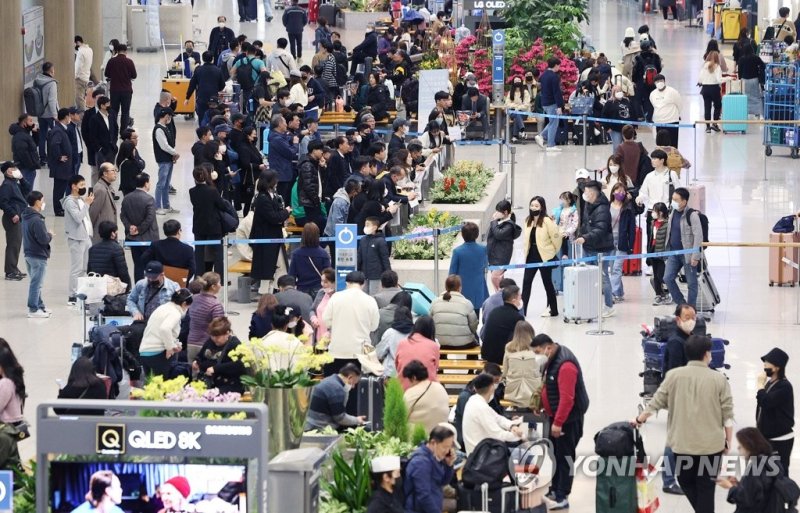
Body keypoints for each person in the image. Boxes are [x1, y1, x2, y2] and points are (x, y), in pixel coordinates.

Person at [634, 335, 734, 513]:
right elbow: (727, 414)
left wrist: (639, 420)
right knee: (706, 487)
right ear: (706, 354)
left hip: (682, 445)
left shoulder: (674, 376)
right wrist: (728, 441)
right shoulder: (718, 379)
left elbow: (656, 402)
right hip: (711, 447)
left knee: (686, 481)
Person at [530, 334, 589, 511]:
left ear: (548, 347)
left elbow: (567, 399)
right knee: (555, 455)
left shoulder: (565, 365)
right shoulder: (552, 359)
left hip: (567, 421)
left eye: (538, 352)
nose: (536, 356)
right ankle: (555, 490)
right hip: (554, 416)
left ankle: (563, 496)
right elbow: (549, 386)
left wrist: (558, 423)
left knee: (564, 457)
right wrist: (541, 402)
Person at [716, 427, 786, 512]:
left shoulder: (756, 468)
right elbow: (758, 490)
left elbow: (745, 498)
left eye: (741, 445)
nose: (738, 448)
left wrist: (730, 486)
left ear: (749, 446)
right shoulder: (772, 461)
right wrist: (739, 484)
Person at [322, 271, 379, 373]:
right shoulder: (370, 300)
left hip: (337, 350)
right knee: (355, 386)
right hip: (360, 352)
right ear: (363, 284)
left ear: (347, 283)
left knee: (335, 385)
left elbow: (326, 321)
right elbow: (374, 326)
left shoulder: (336, 297)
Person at [462, 373, 525, 454]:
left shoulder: (474, 400)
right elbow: (498, 435)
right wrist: (520, 436)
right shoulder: (481, 407)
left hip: (481, 449)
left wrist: (512, 426)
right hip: (482, 456)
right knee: (527, 455)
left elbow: (497, 418)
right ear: (492, 387)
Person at [250, 170, 291, 292]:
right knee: (267, 269)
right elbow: (273, 217)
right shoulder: (263, 198)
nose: (277, 182)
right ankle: (265, 293)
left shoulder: (271, 195)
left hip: (273, 237)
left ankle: (272, 290)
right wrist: (286, 212)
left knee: (275, 266)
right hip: (266, 238)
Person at [521, 196, 561, 317]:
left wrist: (552, 252)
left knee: (547, 283)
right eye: (532, 205)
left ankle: (553, 309)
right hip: (531, 255)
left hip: (545, 256)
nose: (533, 208)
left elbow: (557, 238)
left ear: (542, 207)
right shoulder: (527, 220)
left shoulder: (547, 221)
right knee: (526, 283)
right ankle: (522, 311)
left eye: (536, 206)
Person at [663, 187, 704, 308]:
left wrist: (695, 256)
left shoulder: (692, 215)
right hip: (674, 253)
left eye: (676, 200)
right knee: (667, 278)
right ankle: (682, 305)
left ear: (684, 201)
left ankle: (691, 310)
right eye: (672, 199)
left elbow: (698, 236)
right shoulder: (673, 212)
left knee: (691, 283)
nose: (673, 202)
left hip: (688, 255)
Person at [138, 288, 193, 377]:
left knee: (151, 386)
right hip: (158, 354)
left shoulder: (163, 308)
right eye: (188, 307)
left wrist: (173, 344)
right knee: (164, 387)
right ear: (184, 304)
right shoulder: (175, 313)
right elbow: (165, 329)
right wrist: (170, 347)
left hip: (145, 352)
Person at [403, 425, 457, 513]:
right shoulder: (421, 463)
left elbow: (443, 482)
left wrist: (449, 465)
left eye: (449, 447)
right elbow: (423, 496)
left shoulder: (435, 457)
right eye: (444, 447)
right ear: (433, 443)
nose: (447, 451)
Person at [756, 347, 794, 471]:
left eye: (767, 363)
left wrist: (760, 386)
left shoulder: (784, 386)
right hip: (767, 438)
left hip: (779, 439)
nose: (764, 366)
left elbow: (766, 402)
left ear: (777, 367)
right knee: (764, 475)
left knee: (779, 476)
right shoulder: (771, 383)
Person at [190, 167, 230, 275]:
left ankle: (199, 276)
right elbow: (221, 205)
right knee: (218, 253)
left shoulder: (192, 191)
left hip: (199, 225)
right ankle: (219, 277)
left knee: (199, 253)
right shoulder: (212, 190)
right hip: (213, 225)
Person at [453, 365, 505, 449]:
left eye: (497, 382)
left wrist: (509, 420)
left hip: (485, 435)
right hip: (470, 441)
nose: (495, 385)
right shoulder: (466, 397)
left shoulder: (488, 391)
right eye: (494, 381)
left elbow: (496, 410)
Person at [121, 173, 160, 282]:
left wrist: (130, 227)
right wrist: (139, 229)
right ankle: (151, 287)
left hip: (134, 239)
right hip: (149, 239)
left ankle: (138, 286)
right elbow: (150, 218)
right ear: (146, 183)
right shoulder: (149, 199)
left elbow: (123, 215)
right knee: (151, 266)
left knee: (137, 265)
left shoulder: (127, 198)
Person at [305, 363, 365, 430]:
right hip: (318, 428)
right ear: (350, 377)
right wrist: (357, 420)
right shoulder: (336, 389)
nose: (353, 387)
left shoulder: (330, 379)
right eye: (354, 383)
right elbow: (340, 418)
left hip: (309, 423)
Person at [64, 175, 94, 305]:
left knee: (84, 268)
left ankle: (81, 293)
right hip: (76, 238)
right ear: (73, 186)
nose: (83, 187)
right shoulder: (70, 201)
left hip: (85, 237)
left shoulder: (81, 199)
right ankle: (72, 295)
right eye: (81, 185)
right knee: (76, 268)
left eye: (84, 184)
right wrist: (87, 204)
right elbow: (78, 217)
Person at [21, 191, 51, 318]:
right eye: (43, 200)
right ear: (38, 202)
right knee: (36, 283)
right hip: (38, 255)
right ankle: (33, 309)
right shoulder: (37, 220)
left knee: (36, 282)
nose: (44, 203)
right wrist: (50, 235)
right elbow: (43, 239)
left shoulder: (25, 216)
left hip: (28, 253)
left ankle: (40, 306)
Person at [0, 162, 31, 281]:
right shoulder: (7, 185)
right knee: (13, 244)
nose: (15, 170)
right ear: (7, 171)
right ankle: (10, 271)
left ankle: (13, 267)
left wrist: (21, 178)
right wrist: (13, 214)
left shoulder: (14, 183)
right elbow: (3, 202)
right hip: (12, 218)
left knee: (16, 244)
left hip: (18, 217)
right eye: (13, 168)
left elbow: (27, 189)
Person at [449, 222, 488, 316]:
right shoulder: (483, 249)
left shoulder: (457, 251)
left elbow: (452, 273)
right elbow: (485, 265)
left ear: (462, 235)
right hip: (478, 288)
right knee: (475, 315)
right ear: (477, 235)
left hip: (461, 290)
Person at [503, 320, 545, 408]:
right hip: (534, 392)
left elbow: (505, 372)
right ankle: (532, 421)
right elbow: (543, 372)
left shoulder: (509, 347)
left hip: (513, 393)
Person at [430, 275, 478, 348]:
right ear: (460, 288)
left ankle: (441, 359)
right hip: (463, 343)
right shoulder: (467, 303)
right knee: (475, 340)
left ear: (446, 287)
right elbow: (474, 327)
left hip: (440, 342)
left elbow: (430, 323)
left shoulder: (435, 302)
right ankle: (473, 359)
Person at [608, 182, 637, 302]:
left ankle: (613, 293)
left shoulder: (628, 208)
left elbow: (632, 229)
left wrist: (631, 245)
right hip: (609, 241)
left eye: (622, 191)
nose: (620, 193)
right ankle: (619, 292)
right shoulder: (607, 206)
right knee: (612, 266)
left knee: (616, 268)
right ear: (613, 192)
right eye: (618, 191)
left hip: (622, 241)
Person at [186, 272, 225, 361]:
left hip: (191, 342)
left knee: (193, 372)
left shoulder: (193, 299)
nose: (220, 285)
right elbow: (219, 328)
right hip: (207, 345)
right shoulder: (215, 305)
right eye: (219, 283)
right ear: (213, 287)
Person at [482, 285, 525, 365]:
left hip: (487, 354)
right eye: (520, 296)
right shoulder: (517, 317)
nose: (521, 299)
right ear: (514, 300)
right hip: (502, 357)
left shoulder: (494, 312)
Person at [403, 360, 449, 434]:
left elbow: (402, 417)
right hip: (442, 435)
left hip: (419, 438)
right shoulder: (440, 387)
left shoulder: (411, 393)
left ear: (414, 378)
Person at [395, 316, 439, 391]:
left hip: (403, 388)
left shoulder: (402, 343)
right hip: (427, 390)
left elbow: (397, 365)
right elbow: (435, 367)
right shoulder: (434, 346)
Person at [87, 221, 131, 292]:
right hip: (112, 287)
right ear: (112, 234)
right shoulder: (117, 249)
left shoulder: (92, 249)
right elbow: (123, 272)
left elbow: (89, 270)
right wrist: (127, 287)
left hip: (97, 287)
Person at [267, 116, 299, 206]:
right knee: (282, 200)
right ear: (279, 124)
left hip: (284, 173)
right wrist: (296, 144)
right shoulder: (276, 139)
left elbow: (286, 139)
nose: (286, 124)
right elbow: (290, 153)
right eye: (285, 122)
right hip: (281, 175)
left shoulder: (280, 136)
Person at [104, 44, 137, 131]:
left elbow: (106, 74)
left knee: (114, 111)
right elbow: (134, 75)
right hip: (126, 90)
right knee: (125, 112)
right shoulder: (129, 62)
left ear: (117, 51)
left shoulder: (111, 61)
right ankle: (123, 131)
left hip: (114, 90)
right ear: (126, 51)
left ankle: (113, 129)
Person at [186, 51, 226, 123]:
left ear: (203, 59)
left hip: (202, 98)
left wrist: (187, 97)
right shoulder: (218, 70)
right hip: (214, 99)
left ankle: (203, 132)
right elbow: (222, 85)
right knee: (214, 119)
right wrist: (216, 89)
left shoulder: (198, 70)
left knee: (202, 119)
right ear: (212, 59)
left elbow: (192, 84)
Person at [535, 57, 564, 152]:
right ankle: (550, 144)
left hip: (544, 102)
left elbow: (540, 86)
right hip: (552, 102)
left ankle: (541, 136)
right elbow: (557, 92)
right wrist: (560, 106)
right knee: (553, 123)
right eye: (559, 65)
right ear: (556, 65)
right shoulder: (554, 77)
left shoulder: (543, 75)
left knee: (553, 122)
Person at [153, 108, 179, 215]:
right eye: (170, 116)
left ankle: (166, 206)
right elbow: (164, 146)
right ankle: (157, 207)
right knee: (161, 184)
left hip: (168, 159)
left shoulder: (165, 127)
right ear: (166, 116)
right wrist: (175, 153)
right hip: (163, 160)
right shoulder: (159, 129)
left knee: (166, 184)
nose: (171, 118)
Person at [47, 109, 73, 217]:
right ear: (66, 117)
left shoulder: (61, 129)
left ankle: (59, 208)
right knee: (59, 189)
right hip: (60, 166)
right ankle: (58, 210)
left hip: (64, 166)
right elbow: (54, 144)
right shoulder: (58, 130)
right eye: (69, 116)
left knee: (61, 187)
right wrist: (59, 157)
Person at [376, 306, 414, 377]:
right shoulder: (416, 333)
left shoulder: (390, 333)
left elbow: (379, 353)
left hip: (391, 373)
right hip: (411, 374)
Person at [358, 217, 391, 294]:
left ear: (375, 227)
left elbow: (384, 258)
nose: (366, 227)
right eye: (365, 225)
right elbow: (359, 257)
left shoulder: (380, 241)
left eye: (368, 225)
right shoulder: (363, 240)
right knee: (364, 295)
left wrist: (388, 273)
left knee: (374, 295)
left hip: (376, 275)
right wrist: (358, 271)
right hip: (364, 274)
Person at [34, 62, 59, 164]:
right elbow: (52, 100)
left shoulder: (37, 80)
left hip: (40, 113)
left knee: (42, 135)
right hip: (50, 114)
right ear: (51, 71)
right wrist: (55, 115)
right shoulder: (51, 83)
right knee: (55, 135)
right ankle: (52, 157)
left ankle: (42, 158)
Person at [632, 40, 662, 122]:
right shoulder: (655, 57)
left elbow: (634, 71)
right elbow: (659, 69)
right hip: (652, 82)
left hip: (641, 82)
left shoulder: (637, 58)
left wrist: (634, 80)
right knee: (651, 99)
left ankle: (640, 116)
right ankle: (649, 117)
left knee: (638, 99)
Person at [87, 163, 117, 243]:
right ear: (105, 173)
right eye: (113, 171)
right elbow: (93, 213)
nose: (115, 173)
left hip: (109, 231)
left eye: (115, 170)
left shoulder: (107, 187)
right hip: (102, 233)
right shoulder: (100, 189)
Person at [650, 74, 682, 147]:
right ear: (654, 83)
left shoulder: (673, 92)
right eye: (657, 81)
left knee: (673, 144)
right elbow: (653, 105)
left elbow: (679, 104)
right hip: (659, 122)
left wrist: (677, 114)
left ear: (664, 81)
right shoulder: (652, 94)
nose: (659, 83)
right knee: (661, 144)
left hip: (672, 121)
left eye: (661, 81)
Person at [648, 202, 671, 304]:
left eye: (654, 211)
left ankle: (668, 293)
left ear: (660, 213)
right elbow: (651, 238)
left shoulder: (667, 224)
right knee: (656, 276)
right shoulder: (653, 223)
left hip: (662, 253)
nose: (652, 213)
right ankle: (658, 294)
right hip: (653, 251)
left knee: (662, 275)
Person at [601, 85, 634, 153]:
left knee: (629, 147)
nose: (620, 92)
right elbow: (603, 115)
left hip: (627, 128)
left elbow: (632, 112)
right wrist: (607, 127)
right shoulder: (609, 103)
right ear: (613, 93)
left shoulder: (626, 101)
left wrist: (635, 125)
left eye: (620, 91)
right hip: (615, 129)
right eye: (617, 91)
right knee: (617, 147)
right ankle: (616, 162)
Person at [737, 44, 765, 119]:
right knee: (756, 96)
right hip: (754, 79)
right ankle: (758, 113)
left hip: (744, 80)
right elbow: (763, 65)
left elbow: (739, 71)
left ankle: (744, 112)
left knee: (745, 96)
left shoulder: (741, 59)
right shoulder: (756, 58)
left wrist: (740, 79)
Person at [698, 51, 723, 133]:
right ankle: (714, 124)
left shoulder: (704, 66)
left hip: (705, 89)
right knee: (718, 106)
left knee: (707, 107)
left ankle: (708, 127)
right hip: (714, 89)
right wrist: (729, 78)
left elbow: (700, 79)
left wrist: (701, 82)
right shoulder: (717, 66)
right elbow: (719, 80)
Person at [310, 268, 336, 341]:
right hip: (318, 334)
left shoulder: (338, 296)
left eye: (326, 282)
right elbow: (312, 310)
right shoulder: (321, 293)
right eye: (322, 281)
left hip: (331, 337)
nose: (323, 284)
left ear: (334, 283)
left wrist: (330, 333)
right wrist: (313, 318)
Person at [506, 76, 532, 142]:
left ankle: (515, 136)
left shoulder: (525, 92)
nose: (517, 83)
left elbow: (526, 105)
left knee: (516, 117)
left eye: (518, 81)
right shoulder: (510, 92)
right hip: (512, 113)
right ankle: (522, 131)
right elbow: (507, 104)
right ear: (513, 83)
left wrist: (517, 107)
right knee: (517, 114)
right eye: (515, 81)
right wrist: (517, 106)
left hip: (523, 113)